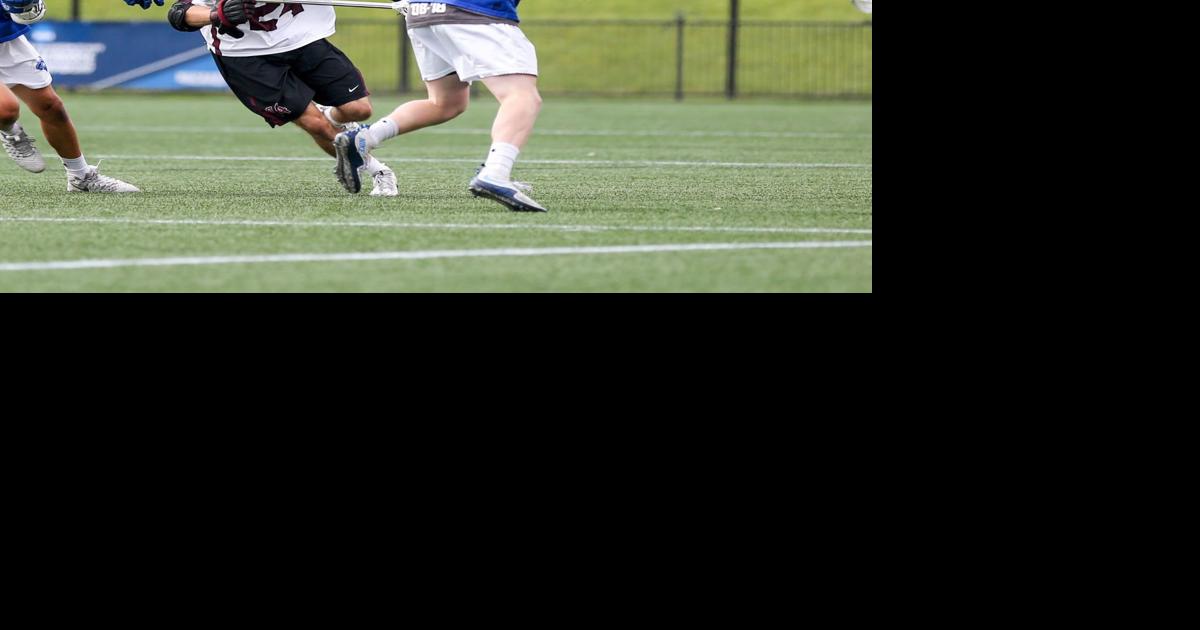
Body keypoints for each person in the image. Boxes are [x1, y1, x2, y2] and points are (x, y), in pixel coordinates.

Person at [167, 0, 397, 196]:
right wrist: (215, 14)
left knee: (358, 110)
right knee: (316, 124)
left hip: (300, 36)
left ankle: (330, 117)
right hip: (245, 54)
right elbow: (180, 14)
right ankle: (379, 171)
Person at [335, 0, 546, 212]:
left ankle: (366, 138)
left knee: (445, 103)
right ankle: (496, 173)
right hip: (474, 11)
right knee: (521, 96)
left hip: (423, 12)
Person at [0, 0, 140, 192]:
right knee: (6, 110)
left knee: (50, 106)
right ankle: (10, 131)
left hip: (5, 38)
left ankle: (80, 176)